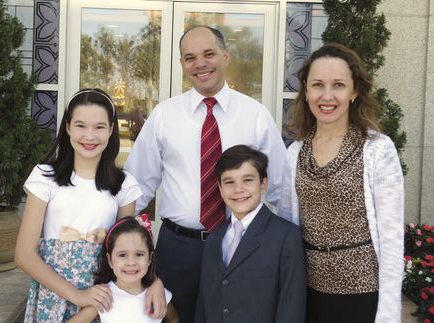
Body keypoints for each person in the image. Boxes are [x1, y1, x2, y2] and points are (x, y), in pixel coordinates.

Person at [124, 25, 287, 322]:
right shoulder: (165, 116)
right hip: (177, 248)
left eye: (209, 54)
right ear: (183, 64)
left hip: (241, 246)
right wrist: (119, 244)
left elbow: (279, 188)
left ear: (225, 56)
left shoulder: (255, 116)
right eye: (190, 57)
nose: (200, 64)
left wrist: (288, 250)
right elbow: (136, 187)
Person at [277, 43, 404, 323]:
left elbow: (392, 239)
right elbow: (286, 225)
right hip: (307, 290)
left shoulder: (377, 150)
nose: (327, 96)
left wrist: (388, 313)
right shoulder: (295, 152)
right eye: (318, 85)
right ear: (306, 91)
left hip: (361, 291)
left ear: (354, 91)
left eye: (338, 85)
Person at [15, 89, 165, 322]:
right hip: (53, 295)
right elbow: (24, 254)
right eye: (81, 125)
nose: (90, 136)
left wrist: (154, 280)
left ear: (111, 130)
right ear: (67, 127)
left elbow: (130, 246)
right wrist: (77, 295)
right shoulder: (45, 177)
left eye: (99, 127)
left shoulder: (124, 185)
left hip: (102, 298)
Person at [195, 145, 306, 323]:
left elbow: (291, 307)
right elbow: (204, 304)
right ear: (220, 188)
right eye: (229, 182)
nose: (238, 189)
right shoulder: (214, 239)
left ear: (263, 184)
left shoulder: (286, 237)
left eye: (247, 180)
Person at [69, 215, 179, 323]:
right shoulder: (104, 297)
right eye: (122, 255)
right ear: (110, 260)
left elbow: (173, 319)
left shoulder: (159, 295)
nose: (131, 262)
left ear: (149, 258)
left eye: (139, 254)